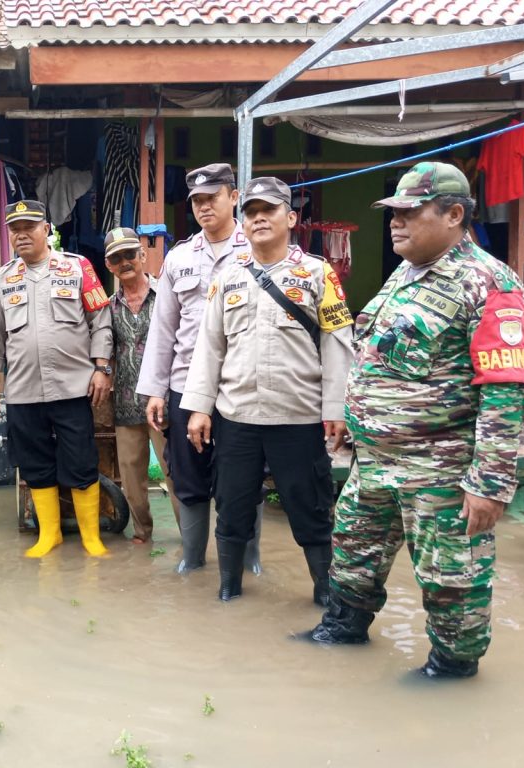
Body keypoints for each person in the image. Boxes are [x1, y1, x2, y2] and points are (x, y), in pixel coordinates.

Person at [307, 162, 524, 680]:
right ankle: (341, 634)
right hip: (375, 465)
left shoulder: (489, 285)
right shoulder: (406, 274)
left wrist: (491, 483)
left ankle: (452, 672)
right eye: (394, 213)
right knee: (353, 555)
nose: (396, 223)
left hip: (442, 471)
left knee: (450, 579)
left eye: (410, 212)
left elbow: (504, 391)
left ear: (454, 214)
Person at [183, 177, 354, 603]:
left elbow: (337, 344)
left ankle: (324, 595)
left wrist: (336, 408)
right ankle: (229, 590)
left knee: (310, 508)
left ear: (291, 218)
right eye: (252, 212)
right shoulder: (228, 277)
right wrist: (200, 408)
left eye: (270, 210)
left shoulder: (318, 274)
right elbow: (209, 345)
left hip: (297, 418)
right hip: (237, 417)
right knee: (232, 506)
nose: (259, 218)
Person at [135, 163, 262, 575]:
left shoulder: (257, 248)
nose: (204, 207)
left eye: (212, 198)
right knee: (187, 475)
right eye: (197, 201)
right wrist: (155, 390)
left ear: (234, 197)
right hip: (185, 386)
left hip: (240, 386)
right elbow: (162, 330)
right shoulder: (179, 257)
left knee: (241, 478)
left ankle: (250, 558)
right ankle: (192, 557)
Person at [0, 199, 113, 557]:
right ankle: (49, 534)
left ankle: (91, 537)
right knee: (35, 464)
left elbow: (100, 321)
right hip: (23, 391)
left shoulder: (78, 267)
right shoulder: (3, 279)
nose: (21, 234)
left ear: (46, 230)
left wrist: (101, 368)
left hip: (72, 387)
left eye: (29, 227)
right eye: (14, 229)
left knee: (82, 461)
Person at [103, 227, 180, 544]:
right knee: (131, 477)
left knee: (175, 472)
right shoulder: (108, 307)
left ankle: (190, 536)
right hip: (125, 401)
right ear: (109, 266)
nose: (125, 262)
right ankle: (142, 532)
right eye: (116, 258)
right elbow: (104, 350)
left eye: (130, 254)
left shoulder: (167, 296)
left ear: (143, 255)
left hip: (163, 401)